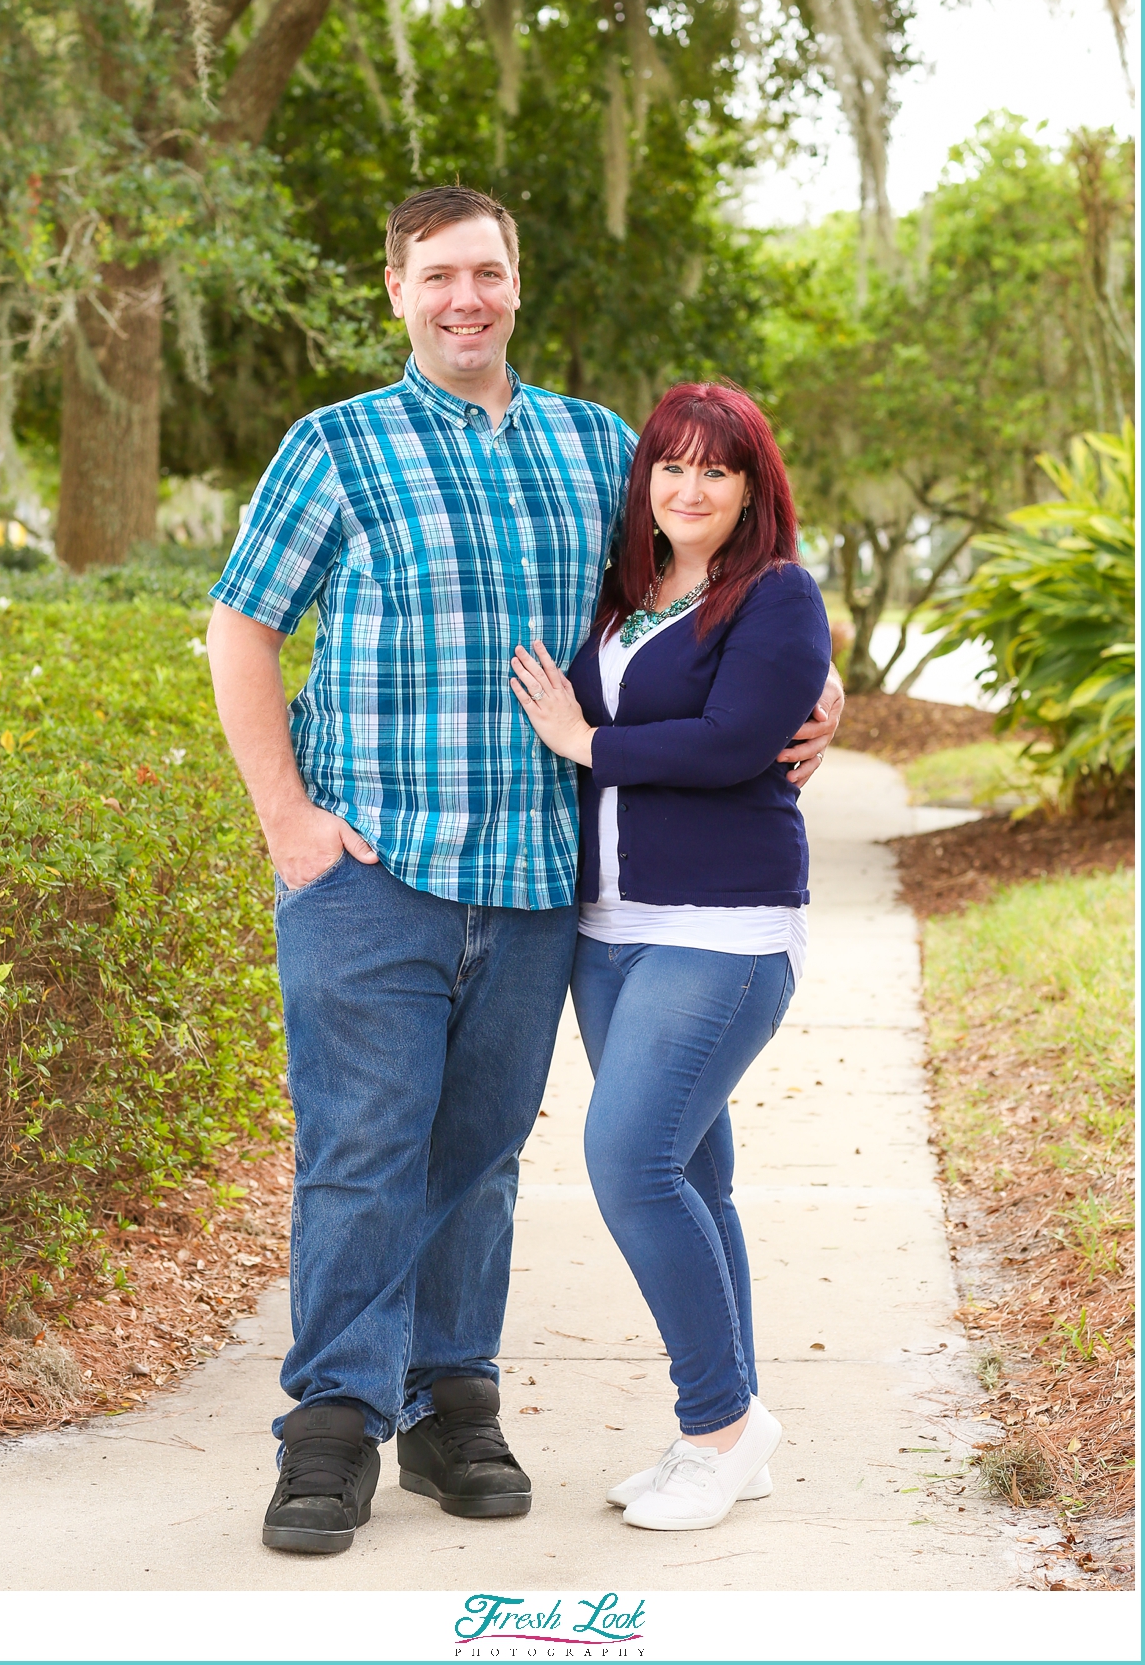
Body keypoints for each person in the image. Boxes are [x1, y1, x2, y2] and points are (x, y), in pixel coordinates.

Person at [205, 186, 844, 1556]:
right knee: (365, 1148)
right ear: (397, 289)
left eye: (488, 272)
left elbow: (704, 586)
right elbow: (240, 625)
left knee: (482, 1156)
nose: (467, 298)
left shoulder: (594, 447)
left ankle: (453, 1405)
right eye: (439, 275)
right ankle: (331, 1423)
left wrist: (817, 693)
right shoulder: (335, 447)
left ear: (516, 281)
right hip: (375, 869)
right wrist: (289, 822)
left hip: (548, 880)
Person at [508, 380, 830, 1532]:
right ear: (646, 479)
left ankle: (719, 1427)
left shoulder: (779, 595)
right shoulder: (630, 590)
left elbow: (740, 740)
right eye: (672, 467)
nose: (689, 489)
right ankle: (737, 1422)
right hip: (610, 928)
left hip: (723, 927)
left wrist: (586, 741)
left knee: (630, 1162)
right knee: (696, 1179)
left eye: (717, 470)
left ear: (753, 488)